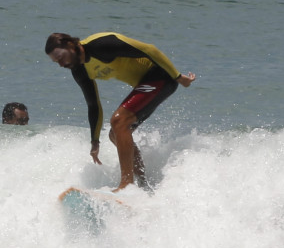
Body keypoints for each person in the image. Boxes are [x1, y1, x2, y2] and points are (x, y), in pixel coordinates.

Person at [45, 32, 195, 191]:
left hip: (161, 77)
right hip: (147, 84)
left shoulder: (100, 45)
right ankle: (143, 185)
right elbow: (93, 105)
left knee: (119, 121)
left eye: (60, 57)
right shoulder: (80, 70)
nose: (61, 64)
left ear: (70, 45)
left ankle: (126, 184)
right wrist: (95, 141)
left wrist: (179, 77)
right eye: (56, 62)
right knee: (115, 134)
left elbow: (149, 50)